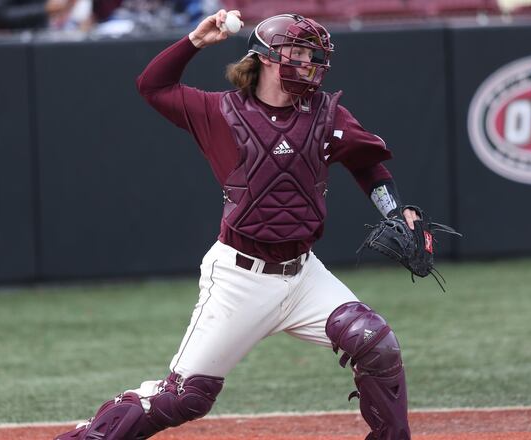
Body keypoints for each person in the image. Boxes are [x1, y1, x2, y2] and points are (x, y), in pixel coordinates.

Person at [55, 9, 425, 440]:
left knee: (375, 343)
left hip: (304, 275)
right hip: (240, 276)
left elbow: (367, 163)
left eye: (315, 55)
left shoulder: (326, 113)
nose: (312, 64)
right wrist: (193, 41)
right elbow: (151, 86)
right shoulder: (219, 111)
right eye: (300, 53)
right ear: (268, 57)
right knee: (185, 396)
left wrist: (396, 211)